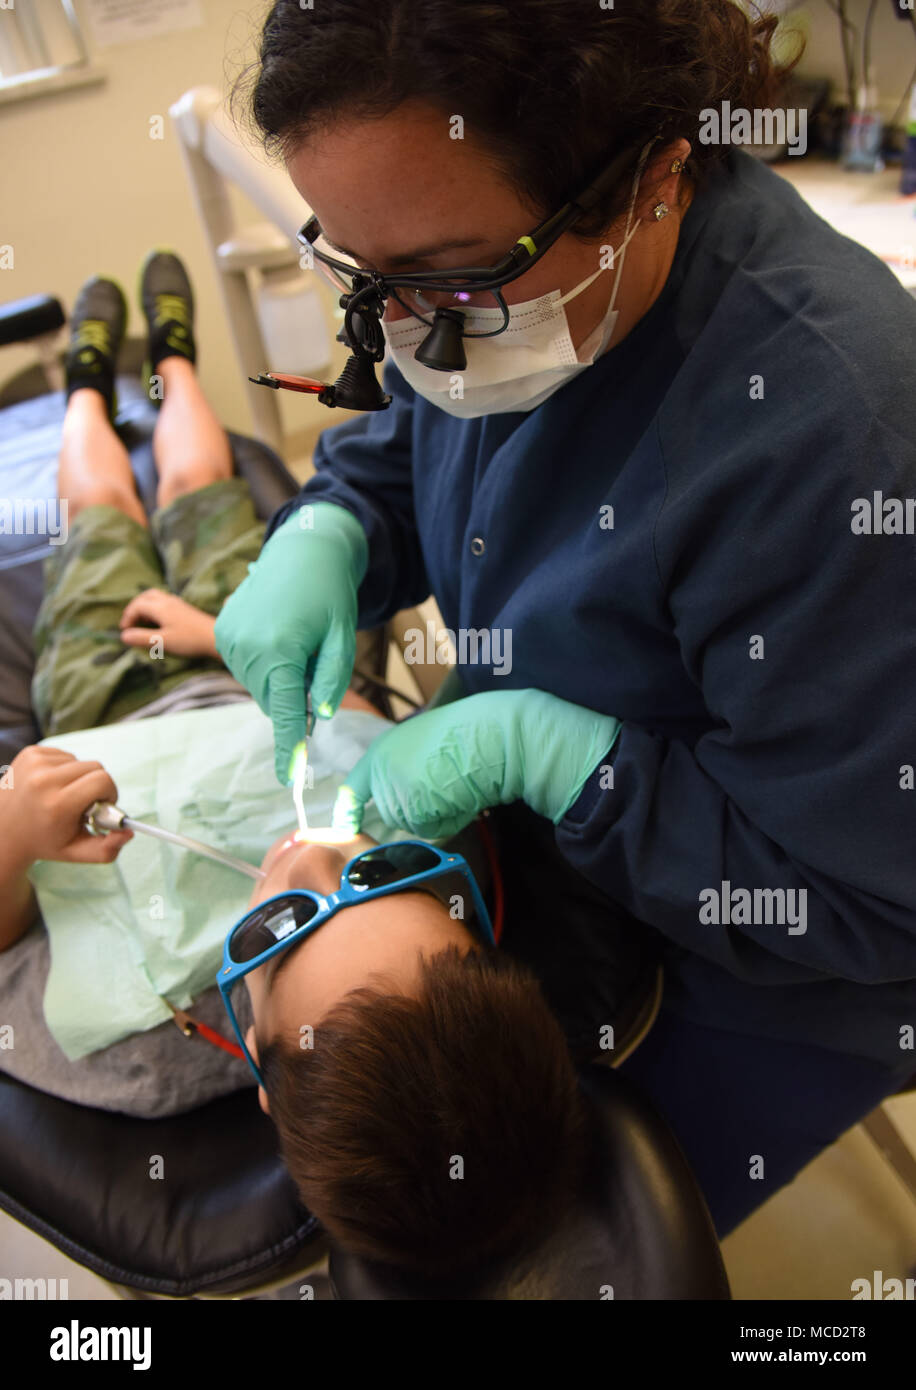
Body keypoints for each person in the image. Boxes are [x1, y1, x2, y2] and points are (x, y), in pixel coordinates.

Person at [215, 0, 916, 1240]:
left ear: (652, 179)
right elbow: (422, 410)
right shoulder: (497, 298)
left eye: (449, 277)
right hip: (553, 848)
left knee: (501, 1211)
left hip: (790, 958)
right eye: (365, 276)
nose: (409, 329)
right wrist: (333, 530)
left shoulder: (838, 438)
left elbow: (871, 901)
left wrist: (569, 768)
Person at [0, 257, 614, 1278]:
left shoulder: (136, 1046)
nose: (316, 853)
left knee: (100, 509)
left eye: (280, 927)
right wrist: (223, 634)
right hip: (244, 657)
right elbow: (370, 724)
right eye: (376, 872)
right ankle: (173, 360)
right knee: (203, 487)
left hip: (108, 700)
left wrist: (18, 836)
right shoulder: (443, 849)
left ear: (262, 1074)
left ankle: (83, 384)